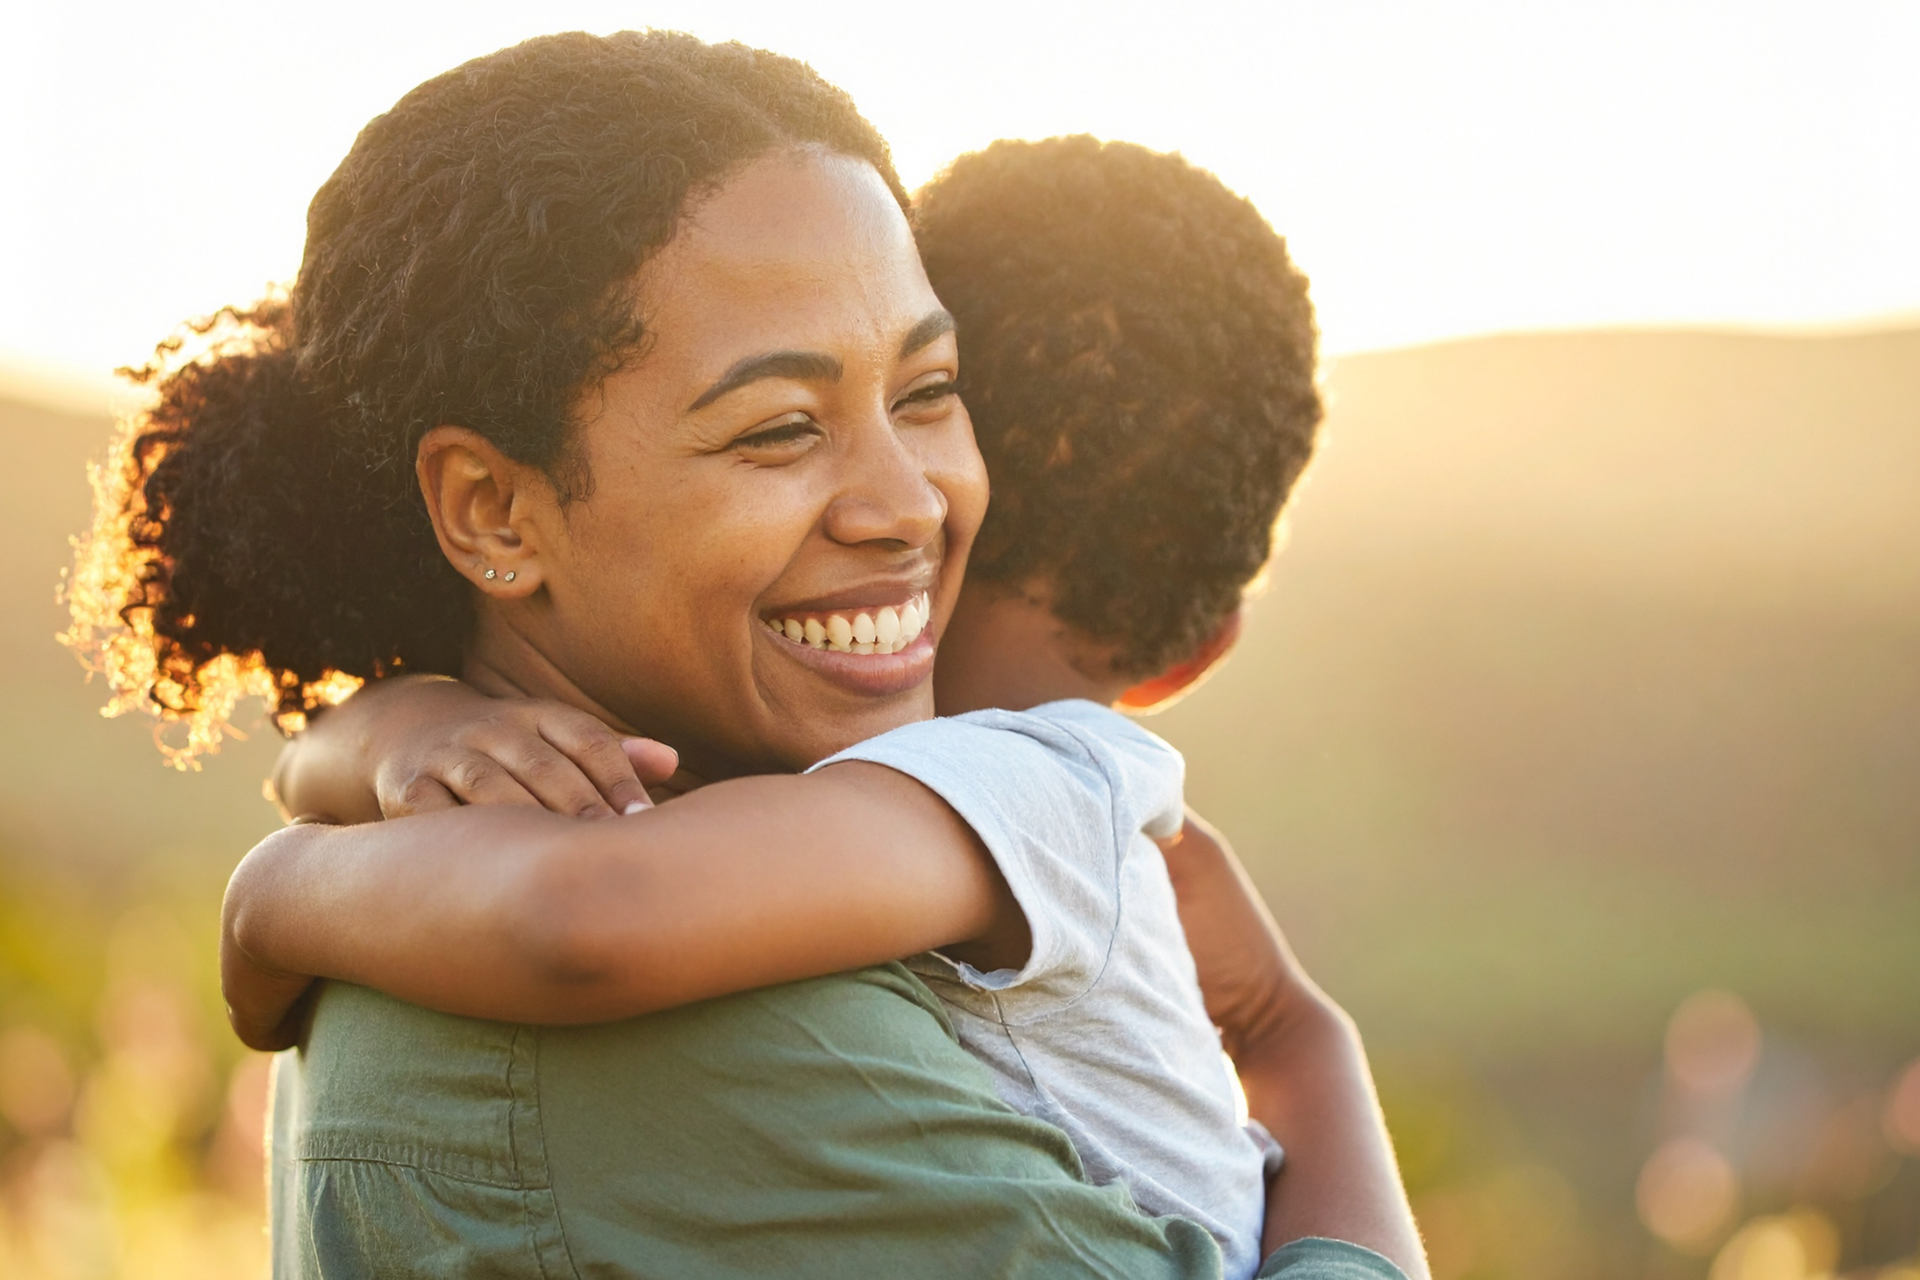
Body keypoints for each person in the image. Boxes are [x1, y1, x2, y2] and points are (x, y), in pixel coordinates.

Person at [71, 30, 1422, 1280]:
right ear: (493, 510)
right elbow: (584, 922)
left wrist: (312, 841)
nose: (908, 504)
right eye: (780, 428)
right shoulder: (709, 1032)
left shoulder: (484, 879)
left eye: (928, 393)